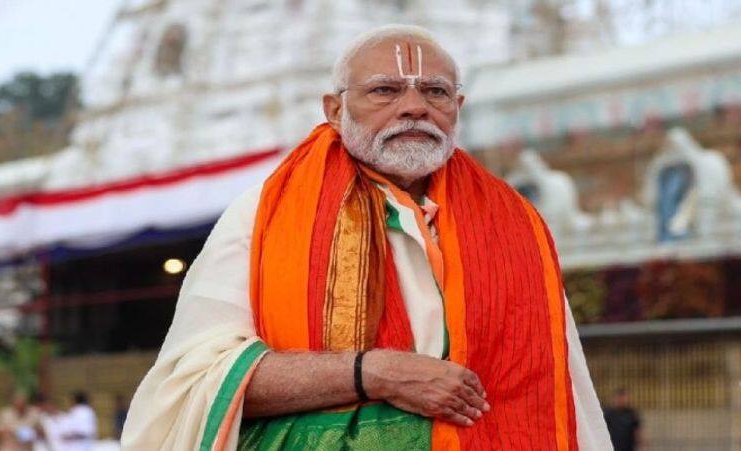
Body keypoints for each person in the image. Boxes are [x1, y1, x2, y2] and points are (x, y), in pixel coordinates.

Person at [122, 24, 612, 450]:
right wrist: (371, 374)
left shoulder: (517, 224)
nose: (415, 107)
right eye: (385, 90)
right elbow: (195, 385)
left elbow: (566, 395)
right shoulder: (264, 215)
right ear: (334, 109)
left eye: (436, 92)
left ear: (458, 106)